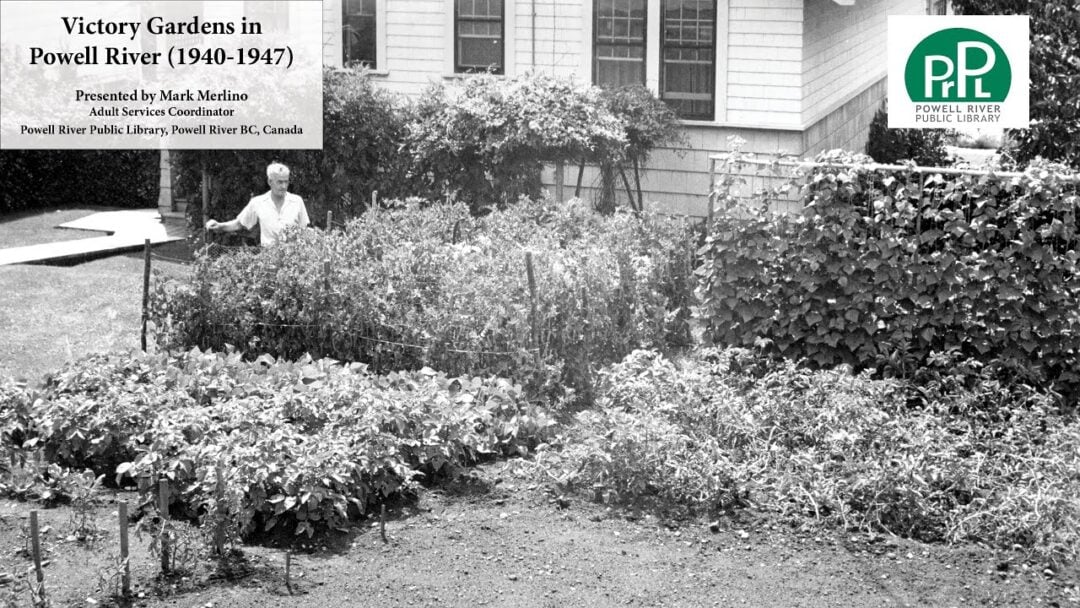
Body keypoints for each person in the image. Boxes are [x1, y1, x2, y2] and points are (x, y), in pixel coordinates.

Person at [205, 162, 310, 247]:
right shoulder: (258, 203)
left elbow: (304, 232)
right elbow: (239, 224)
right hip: (268, 260)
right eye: (279, 182)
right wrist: (220, 226)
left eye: (286, 182)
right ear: (270, 182)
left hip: (294, 261)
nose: (283, 186)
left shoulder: (297, 201)